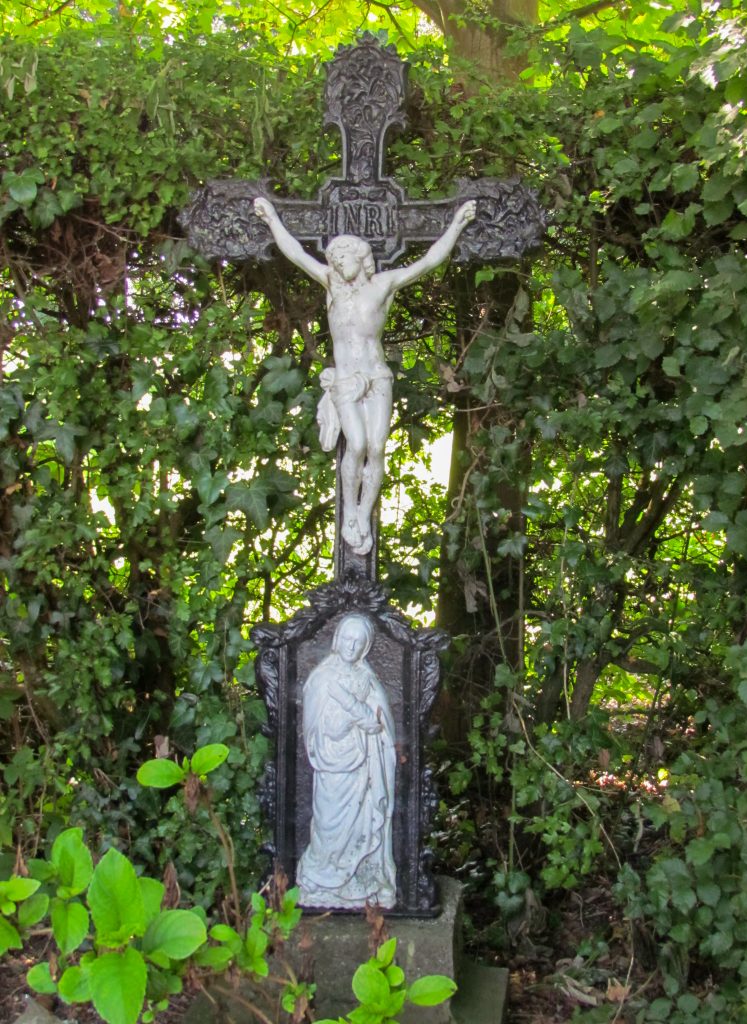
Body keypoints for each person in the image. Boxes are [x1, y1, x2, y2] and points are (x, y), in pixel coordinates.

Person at [253, 196, 477, 555]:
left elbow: (429, 261)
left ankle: (361, 512)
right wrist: (272, 219)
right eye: (335, 259)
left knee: (376, 449)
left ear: (361, 258)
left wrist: (456, 225)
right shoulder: (330, 284)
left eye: (344, 258)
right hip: (346, 380)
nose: (339, 264)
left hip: (377, 377)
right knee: (355, 446)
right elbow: (294, 253)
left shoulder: (383, 285)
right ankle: (349, 514)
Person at [296, 613, 396, 909]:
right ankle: (320, 877)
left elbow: (382, 721)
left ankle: (366, 879)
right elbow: (313, 729)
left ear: (365, 647)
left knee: (363, 823)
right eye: (347, 639)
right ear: (337, 640)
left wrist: (373, 725)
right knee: (328, 823)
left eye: (358, 642)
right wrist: (340, 727)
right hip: (332, 765)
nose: (351, 646)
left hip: (364, 768)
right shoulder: (321, 679)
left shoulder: (367, 678)